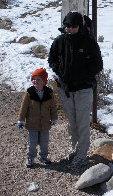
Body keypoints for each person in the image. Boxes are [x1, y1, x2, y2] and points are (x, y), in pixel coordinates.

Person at [48, 11, 103, 169]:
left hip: (83, 89)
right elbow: (51, 58)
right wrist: (60, 71)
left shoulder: (89, 42)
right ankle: (74, 150)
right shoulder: (59, 41)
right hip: (65, 89)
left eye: (73, 26)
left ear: (80, 26)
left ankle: (82, 155)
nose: (70, 28)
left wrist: (83, 75)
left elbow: (97, 64)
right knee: (72, 123)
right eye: (67, 26)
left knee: (83, 123)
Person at [17, 68, 58, 168]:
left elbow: (53, 107)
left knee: (44, 143)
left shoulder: (49, 93)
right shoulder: (29, 93)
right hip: (32, 124)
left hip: (45, 124)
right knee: (32, 143)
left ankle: (43, 157)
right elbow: (24, 108)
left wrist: (54, 118)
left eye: (38, 79)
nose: (35, 81)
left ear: (44, 81)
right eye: (33, 79)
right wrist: (21, 120)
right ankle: (30, 157)